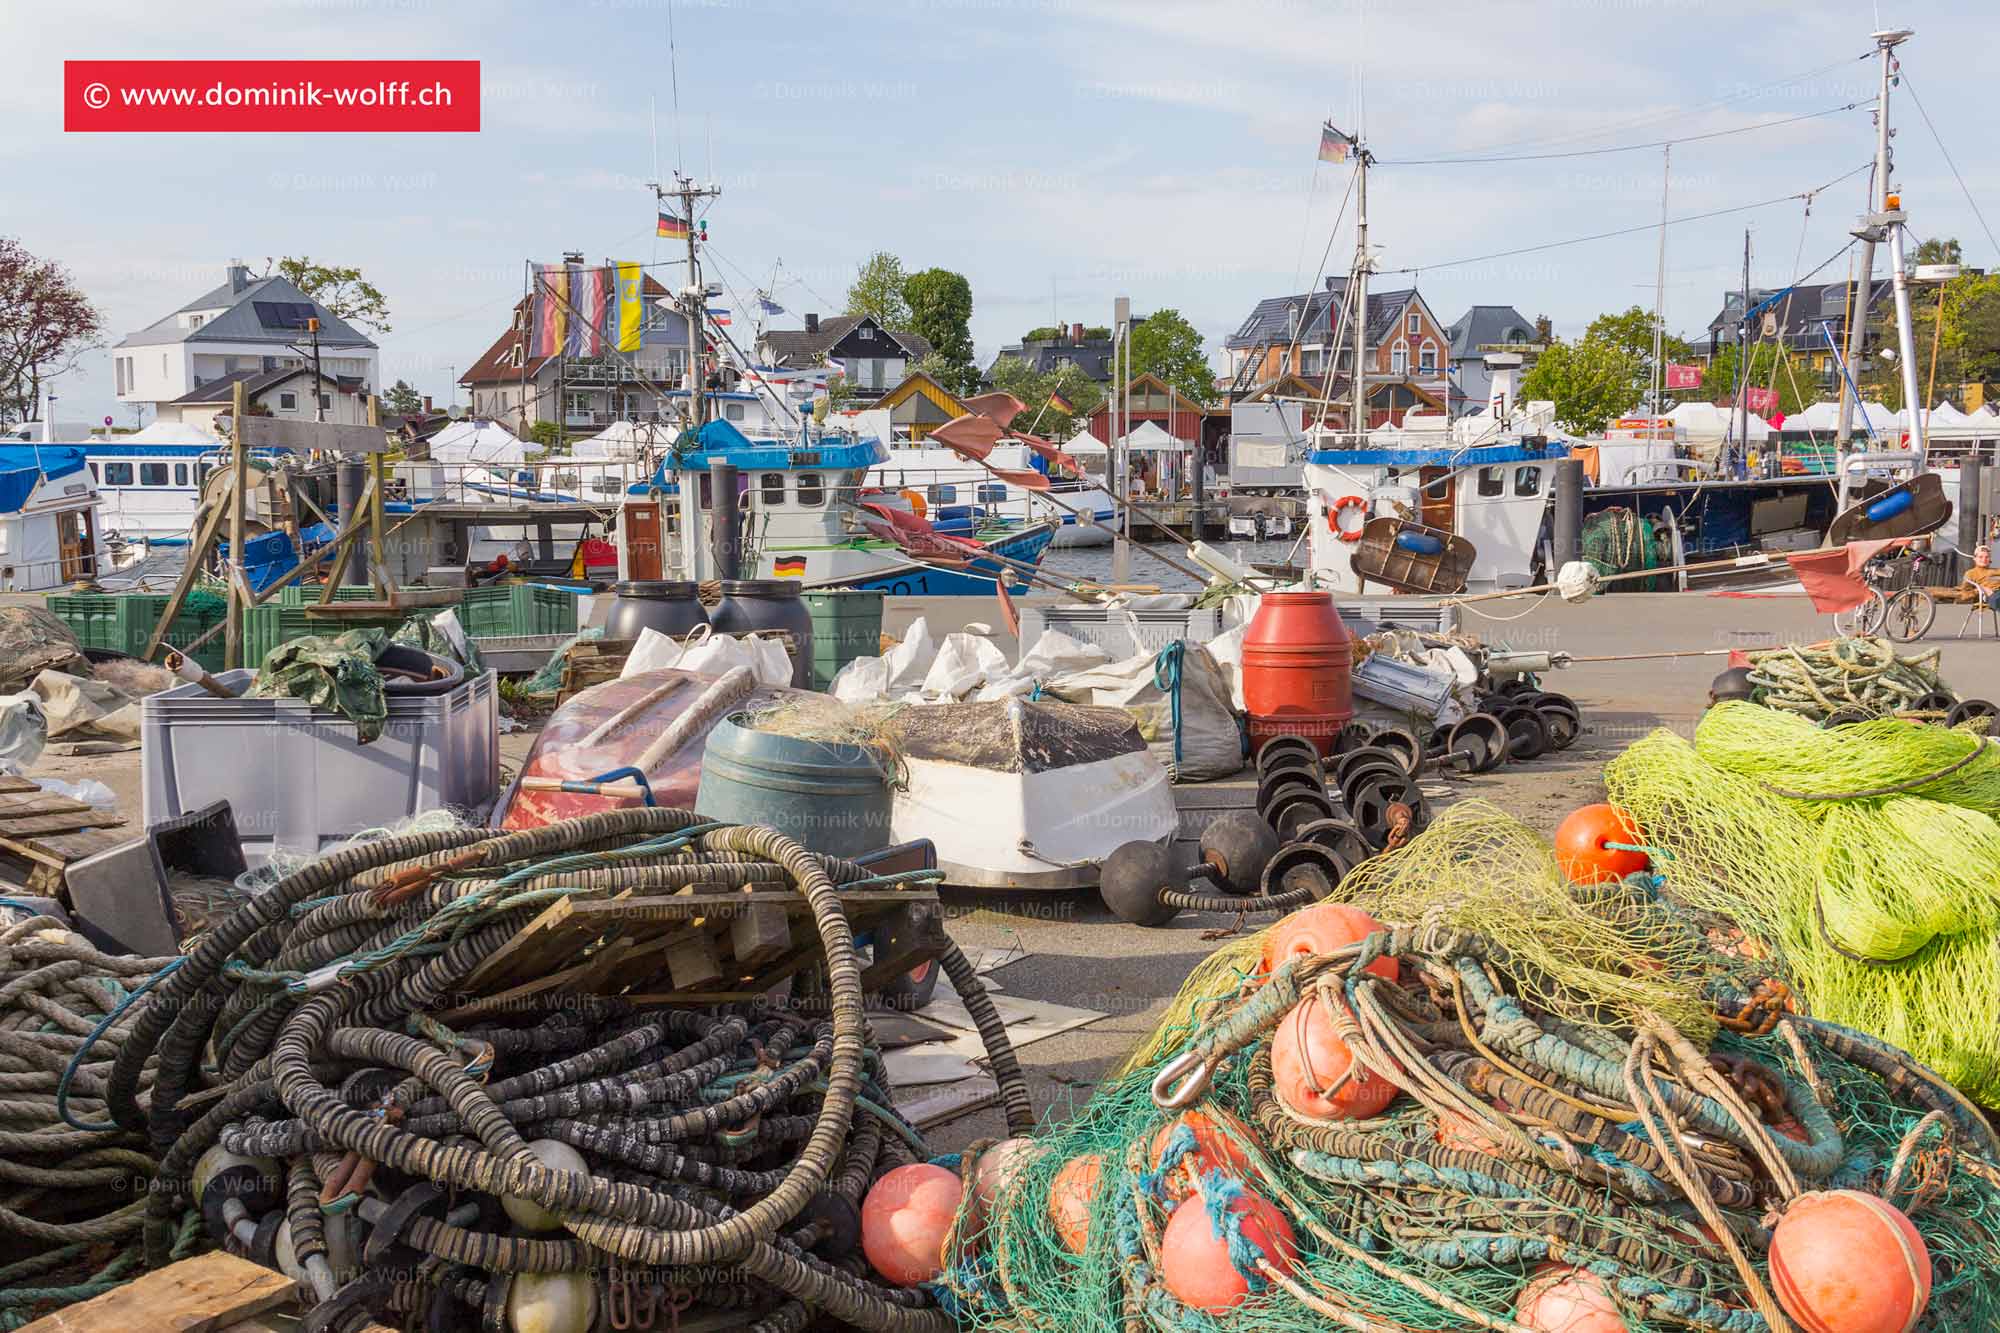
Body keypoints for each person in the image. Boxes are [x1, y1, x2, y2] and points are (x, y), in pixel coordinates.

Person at [1936, 544, 2000, 610]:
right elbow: (1965, 594)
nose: (1984, 559)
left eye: (1987, 557)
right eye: (1980, 557)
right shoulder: (1971, 573)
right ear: (1975, 558)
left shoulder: (1996, 570)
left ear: (1990, 559)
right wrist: (1980, 590)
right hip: (1989, 596)